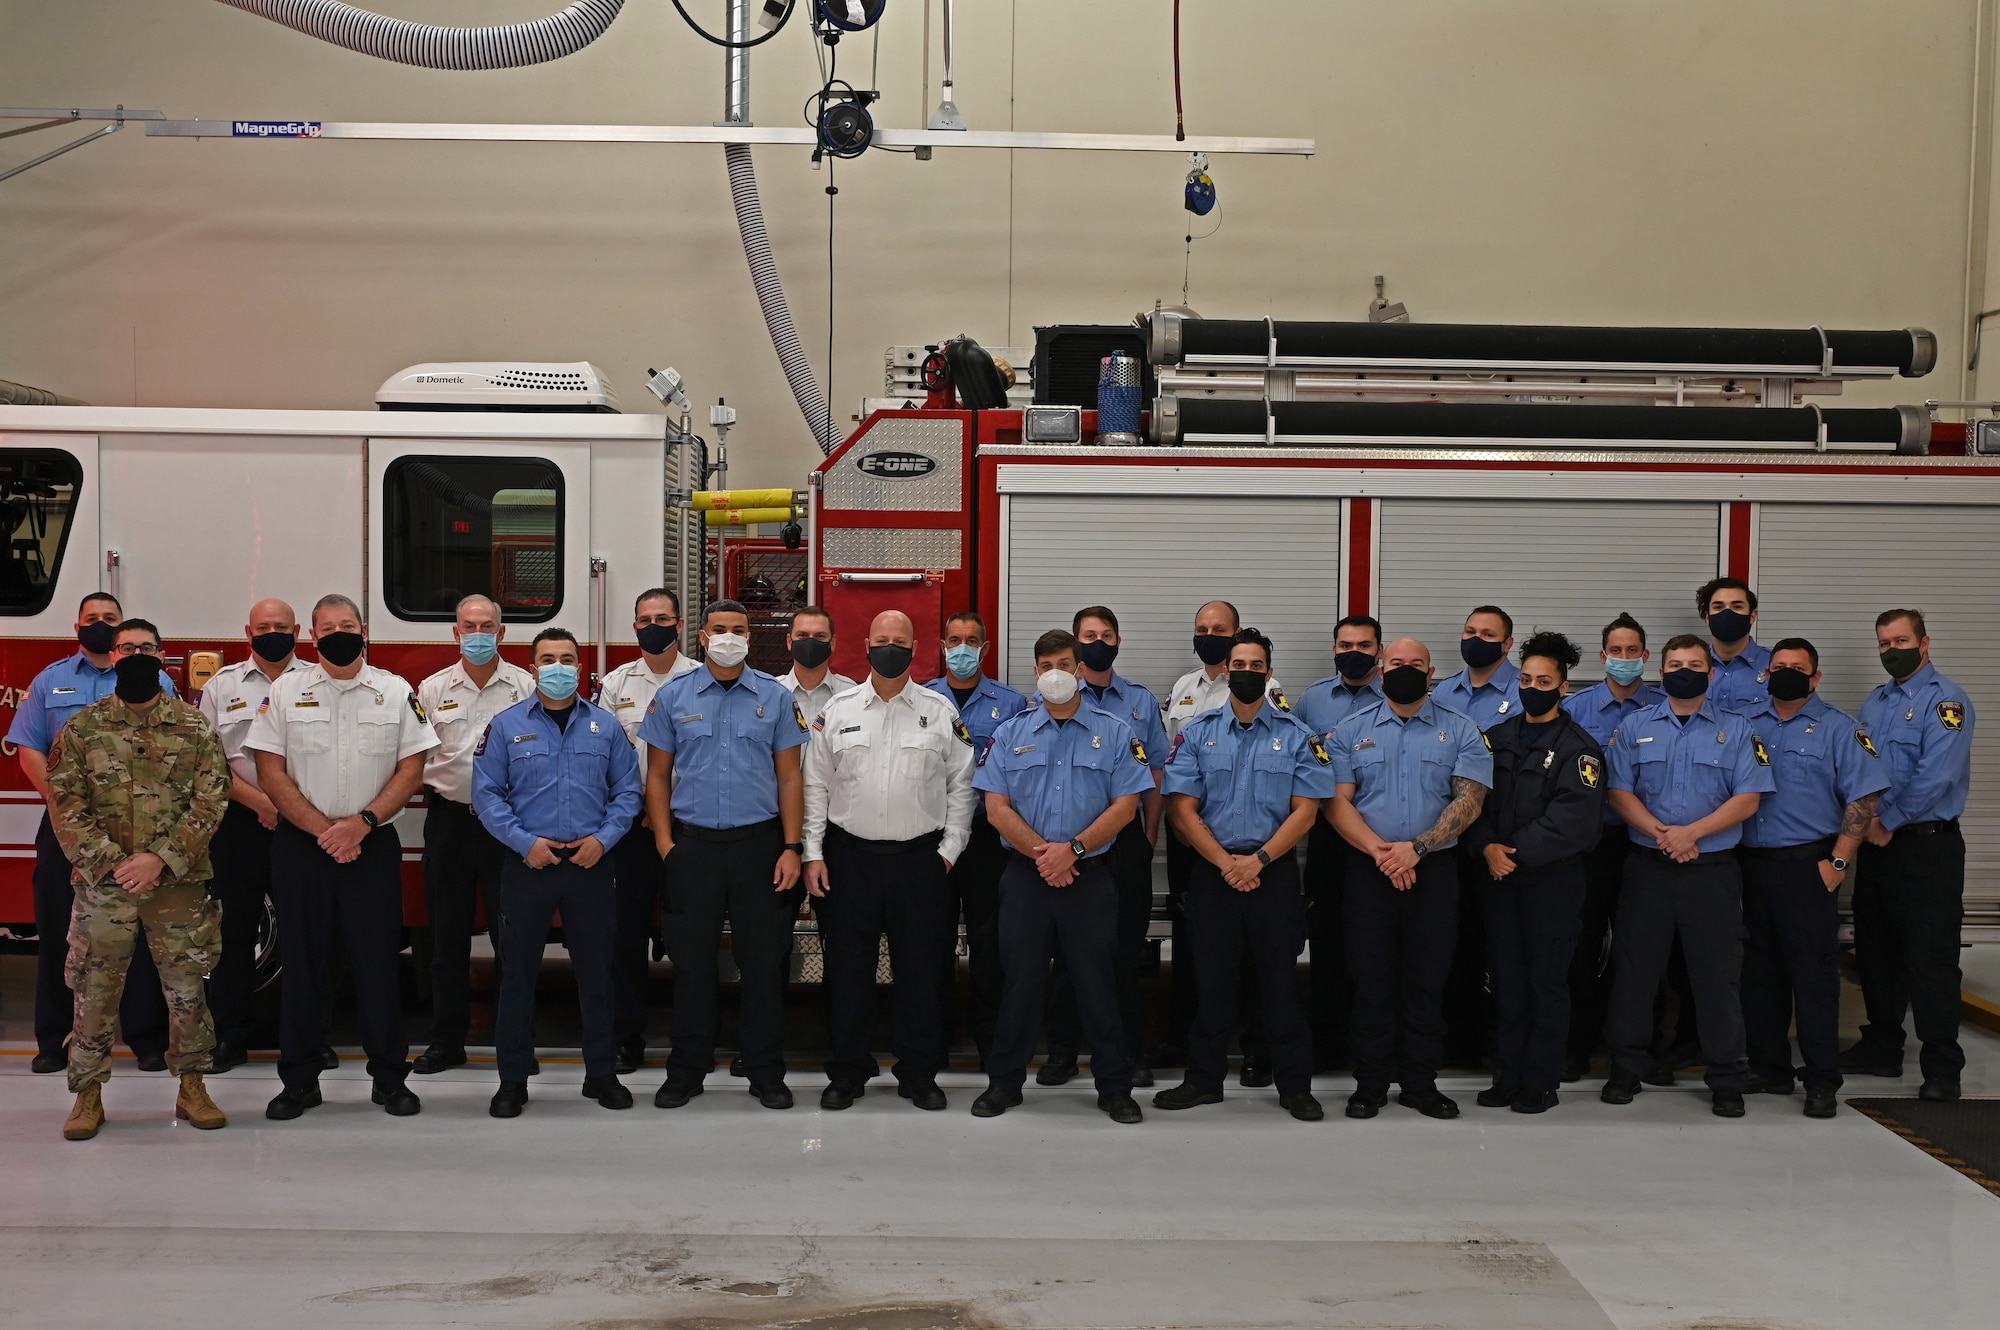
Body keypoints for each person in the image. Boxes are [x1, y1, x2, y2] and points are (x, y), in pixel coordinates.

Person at [247, 593, 439, 1120]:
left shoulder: (395, 692)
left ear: (365, 629)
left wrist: (362, 824)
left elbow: (411, 769)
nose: (338, 634)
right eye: (327, 628)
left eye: (347, 625)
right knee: (302, 965)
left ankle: (389, 1079)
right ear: (312, 638)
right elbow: (270, 771)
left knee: (377, 963)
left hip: (371, 844)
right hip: (303, 848)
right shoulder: (285, 691)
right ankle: (300, 1081)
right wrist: (323, 830)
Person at [48, 620, 231, 1141]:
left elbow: (212, 800)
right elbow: (65, 806)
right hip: (104, 888)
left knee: (188, 990)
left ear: (161, 655)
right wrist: (113, 862)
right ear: (113, 654)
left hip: (177, 886)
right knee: (93, 990)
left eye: (146, 648)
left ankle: (193, 1085)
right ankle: (87, 1094)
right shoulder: (83, 729)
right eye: (126, 648)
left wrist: (160, 858)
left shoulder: (195, 728)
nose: (135, 655)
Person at [1156, 628, 1337, 1122]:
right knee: (1210, 982)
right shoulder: (1197, 732)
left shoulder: (1298, 737)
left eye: (1257, 666)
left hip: (1272, 872)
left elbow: (1306, 811)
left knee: (1279, 984)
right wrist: (1224, 863)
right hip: (1215, 872)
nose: (1247, 673)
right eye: (1240, 664)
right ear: (1226, 670)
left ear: (1269, 673)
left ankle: (1294, 1085)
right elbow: (1182, 809)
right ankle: (1203, 1080)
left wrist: (1256, 862)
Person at [972, 630, 1153, 1123]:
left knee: (1098, 983)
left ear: (1078, 669)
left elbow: (1126, 805)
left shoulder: (1115, 730)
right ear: (1036, 671)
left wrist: (1072, 850)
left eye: (1065, 663)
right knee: (1020, 984)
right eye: (1047, 663)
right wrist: (1043, 855)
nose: (1056, 672)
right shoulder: (1012, 732)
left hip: (1090, 876)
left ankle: (1114, 1088)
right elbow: (995, 807)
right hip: (1027, 877)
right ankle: (1004, 1084)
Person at [803, 611, 976, 1111]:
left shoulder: (940, 711)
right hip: (849, 858)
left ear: (916, 647)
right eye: (882, 641)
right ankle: (848, 1072)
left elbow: (962, 787)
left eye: (900, 641)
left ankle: (918, 1072)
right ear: (866, 644)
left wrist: (948, 853)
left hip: (919, 862)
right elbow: (815, 785)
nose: (890, 648)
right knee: (847, 972)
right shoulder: (837, 710)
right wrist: (813, 852)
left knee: (922, 972)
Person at [640, 599, 807, 1110]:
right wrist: (667, 846)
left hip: (760, 848)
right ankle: (687, 1070)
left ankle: (765, 1071)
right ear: (703, 637)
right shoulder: (673, 697)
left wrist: (792, 846)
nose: (729, 637)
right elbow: (657, 777)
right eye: (719, 629)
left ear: (751, 637)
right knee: (692, 968)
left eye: (738, 629)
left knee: (761, 965)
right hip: (693, 850)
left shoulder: (776, 698)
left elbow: (790, 777)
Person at [1600, 634, 1773, 1117]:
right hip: (1647, 869)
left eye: (1694, 664)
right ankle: (1627, 1068)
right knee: (1635, 971)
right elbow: (1618, 790)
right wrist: (1662, 834)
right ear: (1661, 669)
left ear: (1710, 673)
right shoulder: (1635, 727)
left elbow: (1748, 797)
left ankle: (1726, 1077)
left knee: (1717, 976)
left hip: (1711, 872)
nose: (1684, 670)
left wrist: (1689, 834)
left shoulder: (1738, 730)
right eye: (1675, 663)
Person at [473, 628, 643, 1117]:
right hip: (529, 865)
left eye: (567, 658)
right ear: (532, 668)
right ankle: (511, 1081)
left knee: (597, 975)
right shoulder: (505, 727)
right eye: (548, 659)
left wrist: (603, 840)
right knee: (517, 976)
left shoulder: (607, 728)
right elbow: (486, 794)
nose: (558, 667)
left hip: (590, 865)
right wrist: (525, 843)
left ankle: (602, 1075)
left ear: (581, 667)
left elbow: (627, 791)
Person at [1326, 636, 1492, 1120]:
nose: (1404, 669)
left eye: (1414, 663)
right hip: (1369, 868)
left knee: (1427, 980)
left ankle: (1421, 1083)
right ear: (1381, 669)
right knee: (1371, 980)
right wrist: (1382, 853)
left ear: (1431, 670)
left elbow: (1470, 801)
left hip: (1434, 869)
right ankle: (1370, 1084)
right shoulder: (1349, 730)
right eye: (1395, 662)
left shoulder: (1461, 729)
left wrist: (1416, 849)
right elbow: (1337, 802)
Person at [9, 592, 172, 1075]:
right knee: (64, 932)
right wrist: (67, 807)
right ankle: (54, 1037)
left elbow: (172, 747)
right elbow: (29, 751)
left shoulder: (156, 678)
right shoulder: (50, 680)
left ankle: (145, 1038)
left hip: (137, 828)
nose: (101, 626)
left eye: (110, 620)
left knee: (140, 930)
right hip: (67, 828)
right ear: (76, 625)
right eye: (92, 619)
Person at [1733, 638, 1886, 1118]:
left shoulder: (1840, 729)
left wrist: (1838, 862)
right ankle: (1770, 1069)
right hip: (1750, 867)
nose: (1786, 674)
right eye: (1778, 667)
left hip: (1809, 868)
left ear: (1815, 677)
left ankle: (1821, 1080)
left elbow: (1865, 798)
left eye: (1797, 668)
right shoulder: (1745, 726)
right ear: (1765, 674)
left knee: (1814, 978)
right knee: (1760, 976)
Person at [1463, 631, 1605, 1113]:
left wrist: (1512, 853)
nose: (1532, 687)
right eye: (1525, 679)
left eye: (1544, 680)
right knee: (1505, 981)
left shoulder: (1579, 749)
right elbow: (1470, 802)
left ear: (1563, 687)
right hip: (1499, 880)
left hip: (1551, 883)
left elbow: (1574, 820)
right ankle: (1507, 1074)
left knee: (1546, 982)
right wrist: (1485, 847)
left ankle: (1540, 1081)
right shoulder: (1495, 739)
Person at [1847, 609, 1976, 1102]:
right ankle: (1882, 1046)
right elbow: (1862, 767)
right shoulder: (1876, 703)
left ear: (1924, 643)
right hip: (1879, 847)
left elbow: (1937, 774)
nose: (1891, 650)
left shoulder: (1946, 701)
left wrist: (1888, 822)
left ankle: (1942, 1065)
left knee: (1930, 957)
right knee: (1876, 951)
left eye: (1900, 640)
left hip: (1927, 846)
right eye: (1883, 643)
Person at [1039, 605, 1170, 1088]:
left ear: (1118, 641)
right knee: (1068, 952)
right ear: (1072, 650)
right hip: (1066, 847)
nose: (1097, 642)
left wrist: (1148, 835)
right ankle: (1062, 1051)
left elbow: (1157, 772)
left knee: (1124, 952)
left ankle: (1127, 1052)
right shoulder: (1044, 701)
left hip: (1124, 842)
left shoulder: (1138, 701)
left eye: (1106, 634)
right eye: (1087, 636)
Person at [1157, 599, 1283, 1081]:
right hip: (1192, 840)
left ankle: (1254, 1048)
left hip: (1250, 845)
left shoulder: (1268, 690)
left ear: (1236, 636)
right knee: (1194, 945)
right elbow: (1171, 764)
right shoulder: (1183, 689)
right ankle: (1185, 1040)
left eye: (1220, 629)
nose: (1210, 635)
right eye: (1202, 629)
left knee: (1251, 948)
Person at [412, 594, 535, 1075]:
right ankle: (446, 1041)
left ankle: (516, 1041)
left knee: (514, 939)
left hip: (509, 825)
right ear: (455, 632)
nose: (478, 634)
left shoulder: (526, 687)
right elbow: (417, 759)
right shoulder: (431, 688)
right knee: (446, 940)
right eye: (469, 625)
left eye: (487, 626)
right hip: (451, 822)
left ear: (502, 634)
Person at [194, 598, 307, 1072]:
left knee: (306, 935)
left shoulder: (318, 681)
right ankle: (228, 1037)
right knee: (233, 934)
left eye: (281, 626)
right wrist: (262, 802)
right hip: (242, 820)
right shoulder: (222, 687)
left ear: (298, 630)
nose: (273, 633)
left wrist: (290, 807)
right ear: (248, 632)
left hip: (304, 823)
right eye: (264, 626)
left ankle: (304, 1040)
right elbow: (209, 759)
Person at [596, 587, 699, 1073]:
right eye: (644, 619)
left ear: (679, 625)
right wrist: (629, 807)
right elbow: (607, 756)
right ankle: (625, 1038)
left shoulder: (703, 679)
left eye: (662, 618)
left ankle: (693, 1041)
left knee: (689, 939)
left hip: (689, 828)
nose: (652, 625)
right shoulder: (616, 685)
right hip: (631, 830)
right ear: (633, 627)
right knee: (625, 937)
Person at [1560, 612, 1663, 1080]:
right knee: (1580, 949)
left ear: (1647, 656)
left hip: (1646, 845)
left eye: (1633, 651)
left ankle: (1641, 1052)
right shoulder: (1575, 710)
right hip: (1589, 846)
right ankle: (1576, 1048)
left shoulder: (1664, 707)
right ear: (1603, 657)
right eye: (1616, 651)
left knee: (1644, 950)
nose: (1624, 659)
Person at [926, 610, 1028, 1071]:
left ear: (985, 649)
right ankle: (936, 1037)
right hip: (933, 838)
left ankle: (990, 1038)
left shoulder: (1011, 704)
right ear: (942, 645)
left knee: (991, 944)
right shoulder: (922, 698)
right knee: (931, 938)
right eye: (954, 639)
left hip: (989, 839)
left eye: (972, 640)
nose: (962, 648)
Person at [1296, 614, 1386, 1071]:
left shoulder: (1396, 693)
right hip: (1329, 838)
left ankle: (1373, 1044)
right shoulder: (1312, 699)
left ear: (1379, 651)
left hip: (1383, 839)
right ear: (1334, 649)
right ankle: (1328, 1044)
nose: (1354, 652)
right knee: (1328, 940)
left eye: (1364, 645)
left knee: (1375, 946)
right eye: (1346, 644)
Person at [1432, 605, 1520, 1065]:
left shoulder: (1525, 690)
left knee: (1498, 945)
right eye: (1469, 631)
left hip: (1498, 838)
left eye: (1488, 634)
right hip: (1448, 838)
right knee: (1452, 941)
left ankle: (1494, 1044)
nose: (1476, 639)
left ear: (1507, 644)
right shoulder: (1443, 692)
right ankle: (1455, 1040)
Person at [1698, 577, 1771, 715]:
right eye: (1718, 607)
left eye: (1737, 606)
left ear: (1752, 616)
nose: (1727, 613)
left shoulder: (1775, 665)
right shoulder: (1688, 666)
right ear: (1707, 617)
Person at [774, 605, 859, 721]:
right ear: (789, 642)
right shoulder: (771, 692)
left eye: (819, 636)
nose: (810, 642)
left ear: (832, 642)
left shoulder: (850, 694)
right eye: (802, 635)